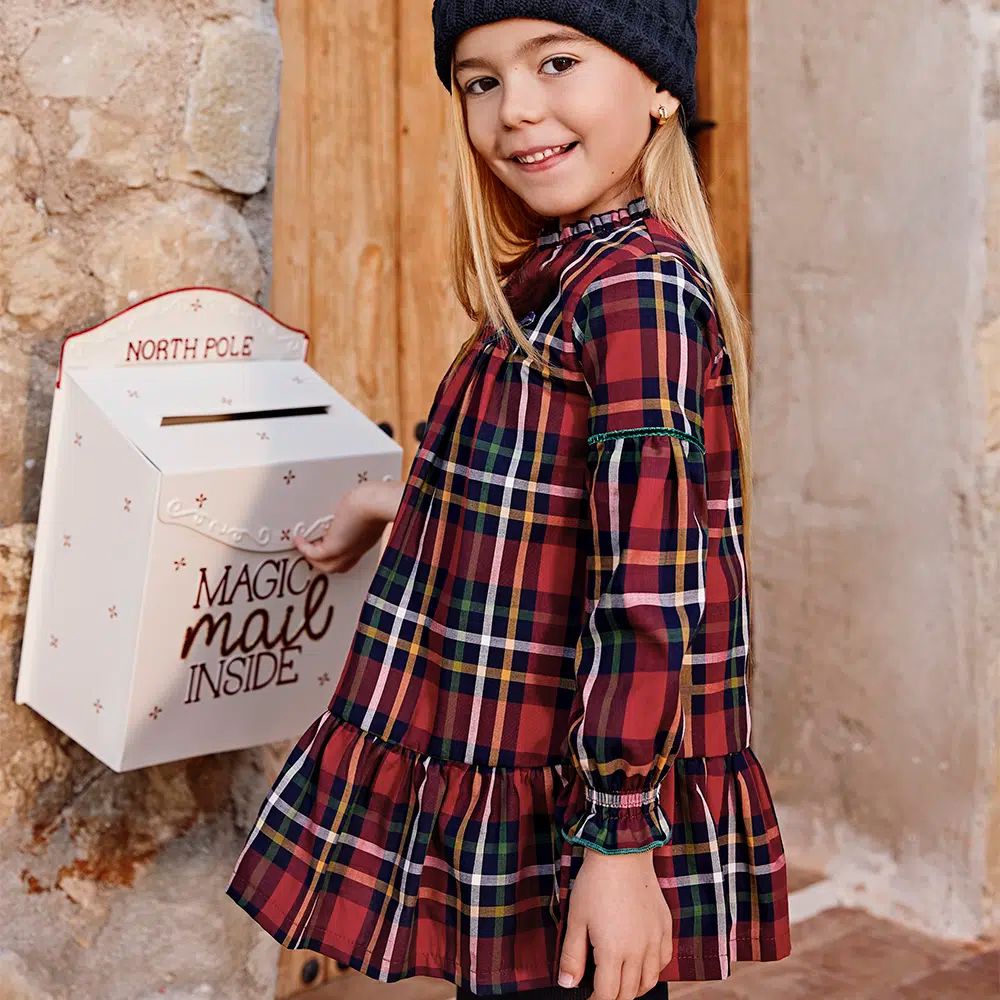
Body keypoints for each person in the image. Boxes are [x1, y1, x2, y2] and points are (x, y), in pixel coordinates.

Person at [224, 1, 793, 997]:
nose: (515, 108)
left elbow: (649, 589)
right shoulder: (566, 273)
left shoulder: (635, 290)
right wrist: (389, 501)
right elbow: (544, 495)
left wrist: (620, 845)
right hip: (526, 773)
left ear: (661, 87)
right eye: (480, 80)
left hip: (577, 808)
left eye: (556, 62)